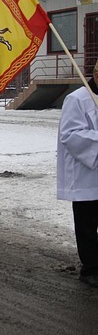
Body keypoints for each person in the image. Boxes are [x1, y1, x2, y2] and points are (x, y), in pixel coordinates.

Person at [57, 64, 98, 288]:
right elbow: (70, 135)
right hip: (87, 174)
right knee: (87, 226)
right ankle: (90, 269)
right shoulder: (78, 99)